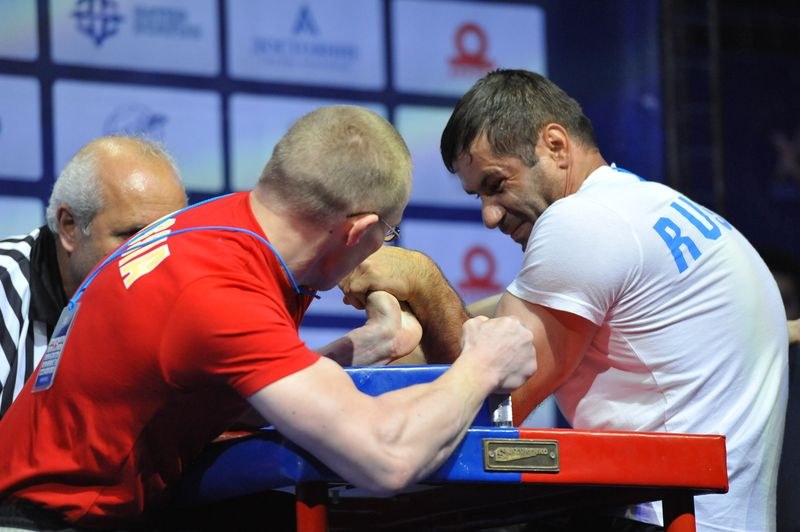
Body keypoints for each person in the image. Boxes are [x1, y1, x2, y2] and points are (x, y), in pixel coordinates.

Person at [0, 105, 536, 530]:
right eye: (385, 235)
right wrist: (483, 364)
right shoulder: (220, 292)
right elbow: (385, 459)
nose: (381, 249)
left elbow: (201, 390)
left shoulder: (223, 228)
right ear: (357, 231)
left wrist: (350, 353)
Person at [340, 69, 788, 531]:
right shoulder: (656, 210)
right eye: (478, 196)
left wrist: (424, 280)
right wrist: (409, 329)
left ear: (555, 145)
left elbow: (490, 407)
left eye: (496, 185)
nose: (489, 216)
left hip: (659, 518)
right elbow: (500, 323)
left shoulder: (581, 221)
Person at [0, 135, 188, 418]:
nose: (157, 257)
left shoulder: (188, 295)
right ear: (70, 227)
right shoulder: (4, 290)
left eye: (169, 236)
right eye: (133, 236)